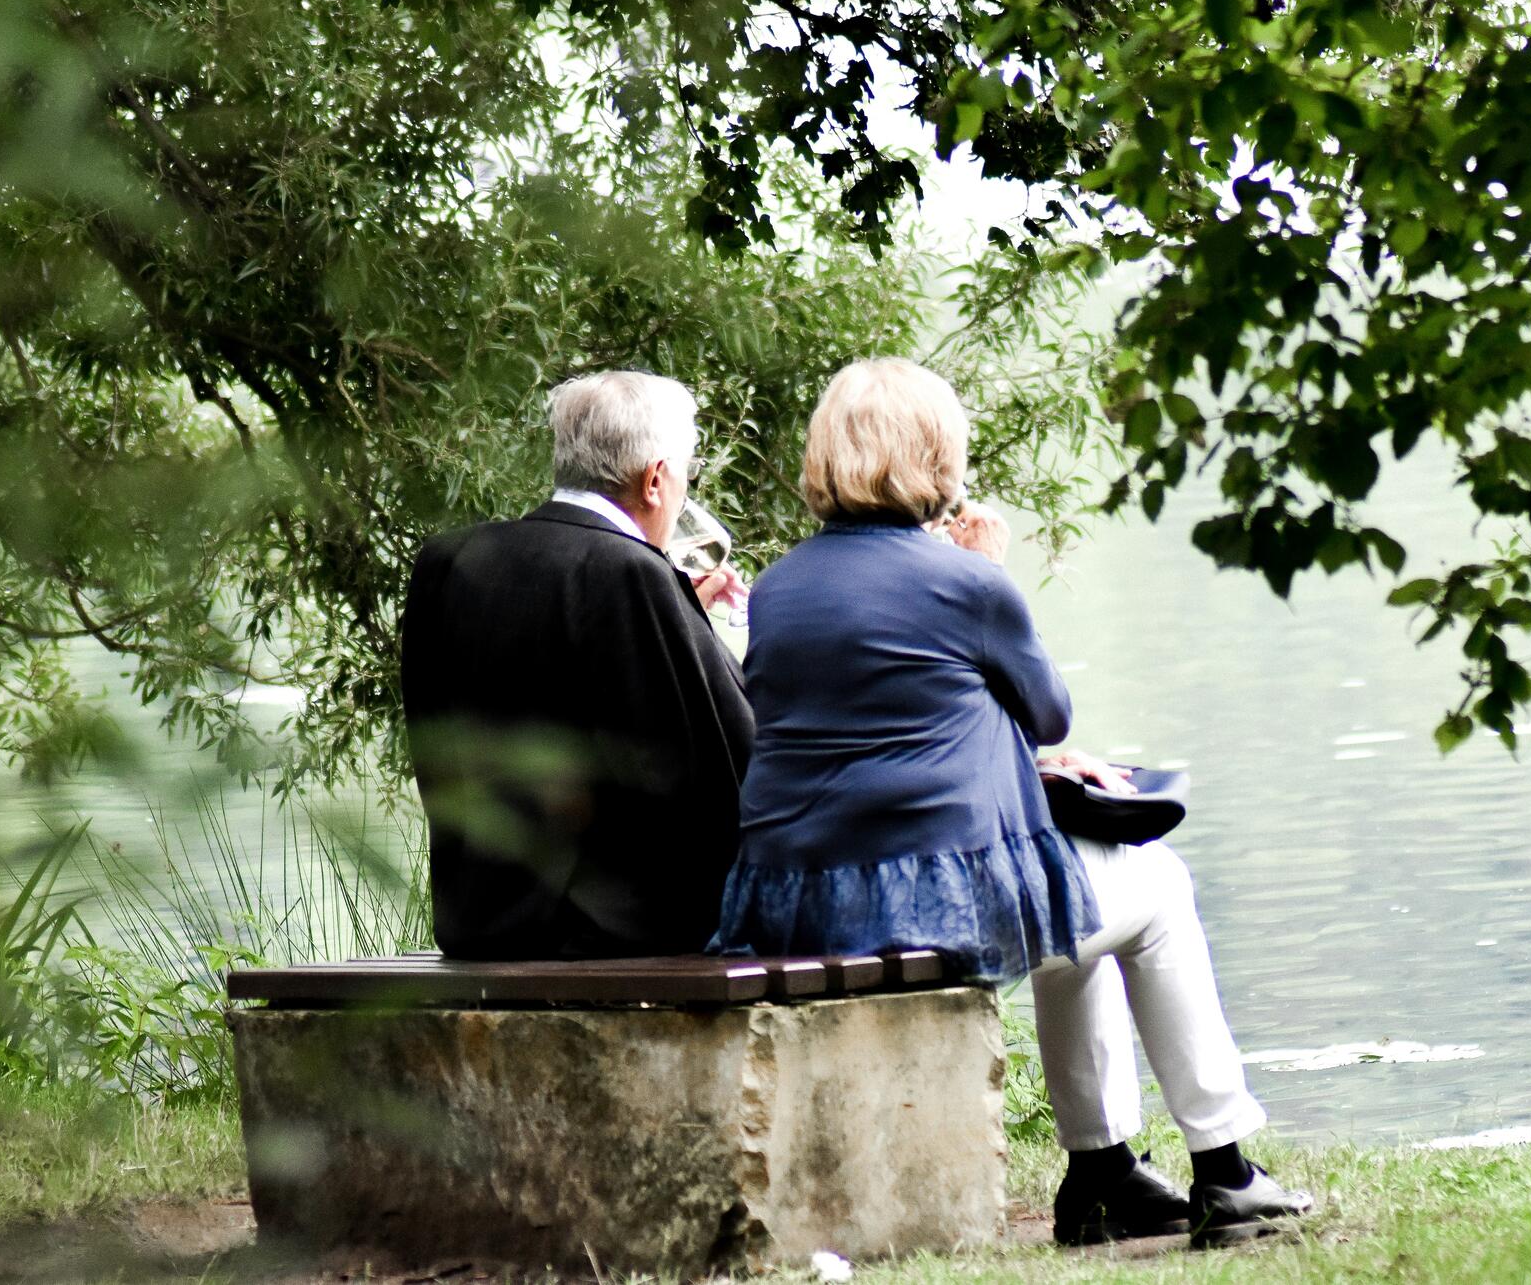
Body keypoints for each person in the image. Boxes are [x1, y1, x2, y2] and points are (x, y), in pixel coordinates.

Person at [710, 358, 1314, 1249]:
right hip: (922, 905)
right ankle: (1225, 1167)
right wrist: (989, 571)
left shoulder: (781, 588)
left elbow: (892, 711)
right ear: (934, 455)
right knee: (1157, 885)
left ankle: (1102, 1171)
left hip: (796, 898)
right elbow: (1049, 710)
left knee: (1083, 910)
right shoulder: (967, 582)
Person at [401, 371, 754, 959]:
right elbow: (728, 760)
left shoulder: (448, 562)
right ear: (657, 479)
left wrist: (680, 606)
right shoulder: (632, 574)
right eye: (687, 476)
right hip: (612, 935)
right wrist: (703, 629)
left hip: (477, 922)